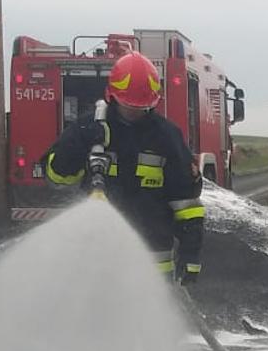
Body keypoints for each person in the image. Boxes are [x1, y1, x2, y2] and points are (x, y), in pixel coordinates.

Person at [43, 51, 206, 284]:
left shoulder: (167, 137)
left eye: (141, 106)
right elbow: (56, 178)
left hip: (153, 264)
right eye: (128, 105)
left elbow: (187, 204)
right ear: (112, 96)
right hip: (95, 260)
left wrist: (190, 255)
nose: (134, 111)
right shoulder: (89, 128)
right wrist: (77, 144)